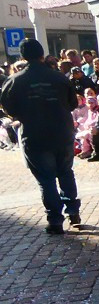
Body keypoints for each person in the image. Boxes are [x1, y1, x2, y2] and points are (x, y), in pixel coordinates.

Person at [0, 39, 80, 235]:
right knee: (65, 171)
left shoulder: (14, 81)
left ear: (22, 57)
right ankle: (73, 211)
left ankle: (55, 220)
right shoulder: (59, 77)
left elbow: (9, 110)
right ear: (42, 54)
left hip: (35, 135)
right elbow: (72, 103)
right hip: (62, 132)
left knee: (46, 179)